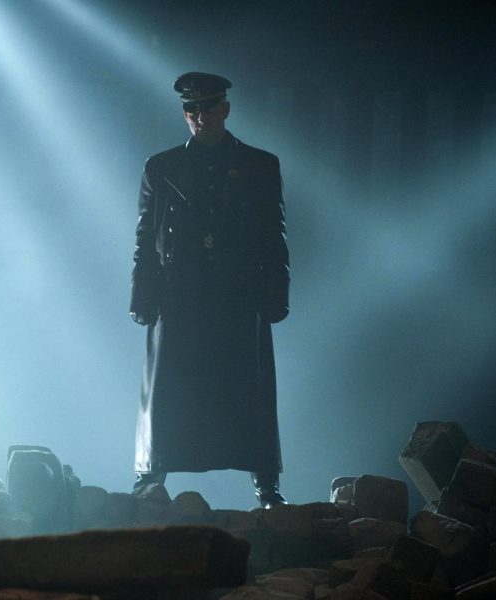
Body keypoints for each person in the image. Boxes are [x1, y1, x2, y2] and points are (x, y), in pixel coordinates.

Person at [129, 72, 290, 508]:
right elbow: (146, 237)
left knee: (249, 388)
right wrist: (142, 294)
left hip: (237, 293)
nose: (200, 117)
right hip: (179, 294)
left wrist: (276, 290)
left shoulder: (260, 165)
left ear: (225, 109)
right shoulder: (161, 167)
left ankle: (266, 483)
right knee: (167, 388)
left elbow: (273, 235)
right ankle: (149, 474)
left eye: (207, 108)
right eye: (192, 109)